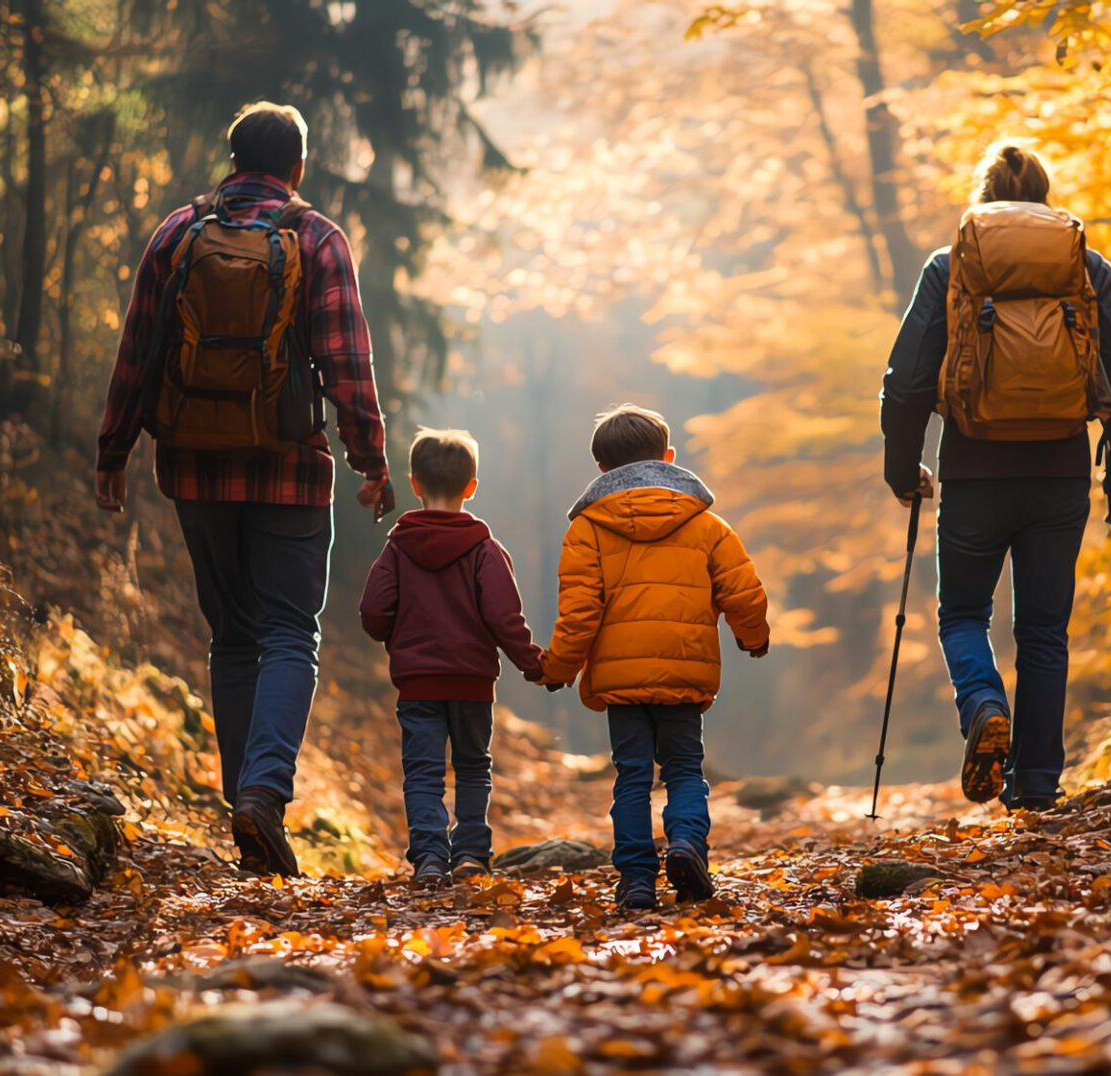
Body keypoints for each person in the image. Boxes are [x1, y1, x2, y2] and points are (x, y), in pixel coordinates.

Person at [95, 101, 393, 877]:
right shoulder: (316, 237)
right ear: (297, 166)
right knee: (290, 634)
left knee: (231, 636)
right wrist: (372, 458)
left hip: (194, 464)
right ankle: (263, 793)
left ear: (232, 160)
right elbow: (347, 361)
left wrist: (113, 451)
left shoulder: (177, 234)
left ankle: (243, 811)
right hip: (291, 470)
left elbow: (138, 350)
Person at [879, 140, 1111, 813]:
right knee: (1044, 632)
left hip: (973, 472)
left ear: (983, 198)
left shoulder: (949, 270)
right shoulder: (1087, 269)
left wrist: (900, 465)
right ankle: (1036, 787)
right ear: (1045, 198)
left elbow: (907, 381)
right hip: (1059, 475)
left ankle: (982, 706)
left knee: (964, 613)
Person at [538, 405, 769, 910]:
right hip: (685, 671)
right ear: (667, 457)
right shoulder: (707, 525)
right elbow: (745, 593)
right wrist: (752, 637)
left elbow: (579, 612)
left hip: (621, 681)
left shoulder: (587, 530)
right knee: (685, 769)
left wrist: (557, 668)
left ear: (602, 470)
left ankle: (637, 880)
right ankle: (687, 846)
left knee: (633, 776)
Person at [358, 429, 544, 888]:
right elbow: (504, 617)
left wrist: (395, 635)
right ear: (471, 486)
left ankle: (429, 857)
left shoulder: (398, 547)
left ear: (415, 484)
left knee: (422, 771)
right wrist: (535, 664)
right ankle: (471, 854)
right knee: (473, 765)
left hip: (418, 682)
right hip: (472, 682)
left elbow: (374, 611)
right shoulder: (484, 550)